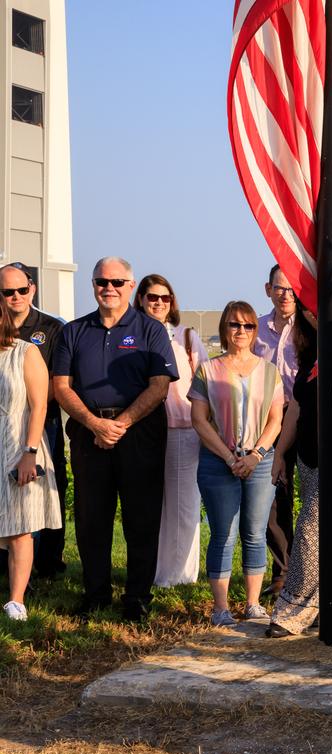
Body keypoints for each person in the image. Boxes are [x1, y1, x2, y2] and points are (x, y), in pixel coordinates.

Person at [51, 257, 176, 621]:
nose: (109, 288)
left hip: (140, 434)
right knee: (91, 518)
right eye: (101, 281)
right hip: (89, 435)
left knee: (142, 517)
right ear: (92, 284)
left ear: (130, 285)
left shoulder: (150, 329)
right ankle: (95, 594)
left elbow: (160, 386)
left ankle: (137, 597)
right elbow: (61, 386)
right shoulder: (73, 331)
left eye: (117, 282)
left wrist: (119, 424)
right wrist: (94, 424)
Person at [267, 309, 332, 636]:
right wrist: (281, 452)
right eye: (308, 306)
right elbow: (297, 407)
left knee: (312, 527)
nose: (315, 311)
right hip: (309, 456)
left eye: (319, 304)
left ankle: (292, 611)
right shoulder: (310, 353)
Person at [189, 301, 284, 626]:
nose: (240, 331)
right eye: (234, 325)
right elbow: (199, 420)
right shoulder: (208, 370)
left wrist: (256, 455)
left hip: (259, 460)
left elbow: (276, 419)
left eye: (247, 326)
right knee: (224, 535)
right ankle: (220, 608)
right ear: (224, 329)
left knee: (255, 533)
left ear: (254, 331)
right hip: (219, 461)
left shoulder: (270, 371)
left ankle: (253, 604)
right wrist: (229, 457)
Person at [134, 274, 208, 587]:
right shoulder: (130, 336)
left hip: (182, 428)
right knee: (150, 505)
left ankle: (180, 576)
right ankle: (153, 571)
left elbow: (206, 384)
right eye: (152, 297)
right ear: (140, 299)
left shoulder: (186, 337)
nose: (159, 303)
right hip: (140, 429)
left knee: (183, 504)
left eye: (165, 298)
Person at [1, 263, 66, 581]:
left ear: (32, 290)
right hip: (4, 426)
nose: (15, 297)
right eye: (7, 292)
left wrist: (28, 410)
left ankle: (48, 565)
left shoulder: (52, 328)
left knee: (41, 493)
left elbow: (57, 382)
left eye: (22, 290)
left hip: (42, 424)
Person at [255, 265, 299, 597]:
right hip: (270, 419)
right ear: (268, 289)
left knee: (315, 496)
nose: (285, 294)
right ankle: (282, 571)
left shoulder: (311, 326)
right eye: (279, 288)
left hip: (306, 417)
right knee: (275, 495)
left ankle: (311, 570)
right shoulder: (255, 329)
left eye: (291, 288)